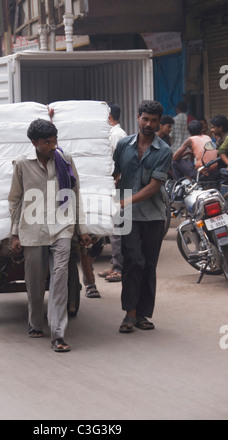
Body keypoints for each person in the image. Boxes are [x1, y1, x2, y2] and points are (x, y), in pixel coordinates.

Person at [8, 118, 90, 352]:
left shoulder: (65, 161)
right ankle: (35, 322)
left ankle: (58, 333)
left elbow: (76, 195)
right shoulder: (22, 165)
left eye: (55, 141)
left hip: (62, 227)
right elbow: (15, 200)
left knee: (60, 276)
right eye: (47, 142)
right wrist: (14, 234)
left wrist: (81, 229)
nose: (53, 146)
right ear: (34, 142)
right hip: (32, 230)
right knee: (34, 279)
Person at [113, 100, 172, 332]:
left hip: (153, 216)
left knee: (148, 264)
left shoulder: (164, 151)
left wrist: (125, 201)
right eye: (145, 119)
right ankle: (130, 313)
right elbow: (115, 173)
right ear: (138, 117)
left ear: (158, 122)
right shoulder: (123, 145)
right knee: (132, 261)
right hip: (127, 217)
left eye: (153, 120)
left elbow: (154, 187)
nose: (148, 124)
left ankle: (143, 315)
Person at [97, 102, 127, 284]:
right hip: (113, 185)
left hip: (116, 187)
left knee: (118, 229)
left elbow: (118, 164)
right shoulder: (114, 134)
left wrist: (113, 184)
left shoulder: (117, 136)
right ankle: (115, 264)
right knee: (114, 228)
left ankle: (120, 267)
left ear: (109, 117)